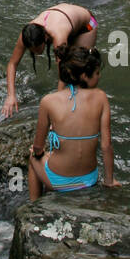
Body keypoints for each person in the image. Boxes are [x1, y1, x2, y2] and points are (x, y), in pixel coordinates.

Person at [28, 47, 118, 198]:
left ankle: (34, 207)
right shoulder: (101, 97)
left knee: (33, 158)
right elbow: (106, 145)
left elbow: (38, 146)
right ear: (84, 76)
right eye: (97, 73)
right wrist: (109, 180)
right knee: (49, 155)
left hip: (58, 181)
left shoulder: (48, 101)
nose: (99, 76)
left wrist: (38, 153)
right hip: (89, 179)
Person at [2, 3, 98, 117]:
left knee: (78, 70)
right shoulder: (27, 34)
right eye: (32, 50)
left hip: (86, 26)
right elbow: (12, 64)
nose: (36, 52)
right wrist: (11, 96)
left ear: (45, 38)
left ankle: (86, 110)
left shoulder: (58, 35)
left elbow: (63, 71)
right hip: (67, 22)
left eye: (38, 48)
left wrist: (57, 105)